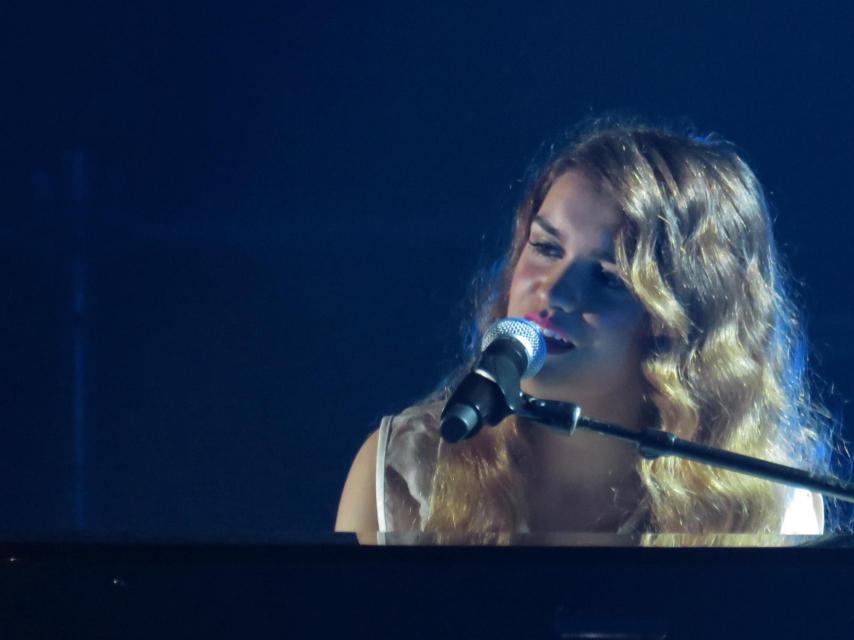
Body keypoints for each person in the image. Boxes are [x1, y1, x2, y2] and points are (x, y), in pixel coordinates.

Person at [335, 118, 837, 537]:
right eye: (547, 248)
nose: (553, 291)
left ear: (683, 326)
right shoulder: (404, 470)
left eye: (608, 277)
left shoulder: (768, 499)